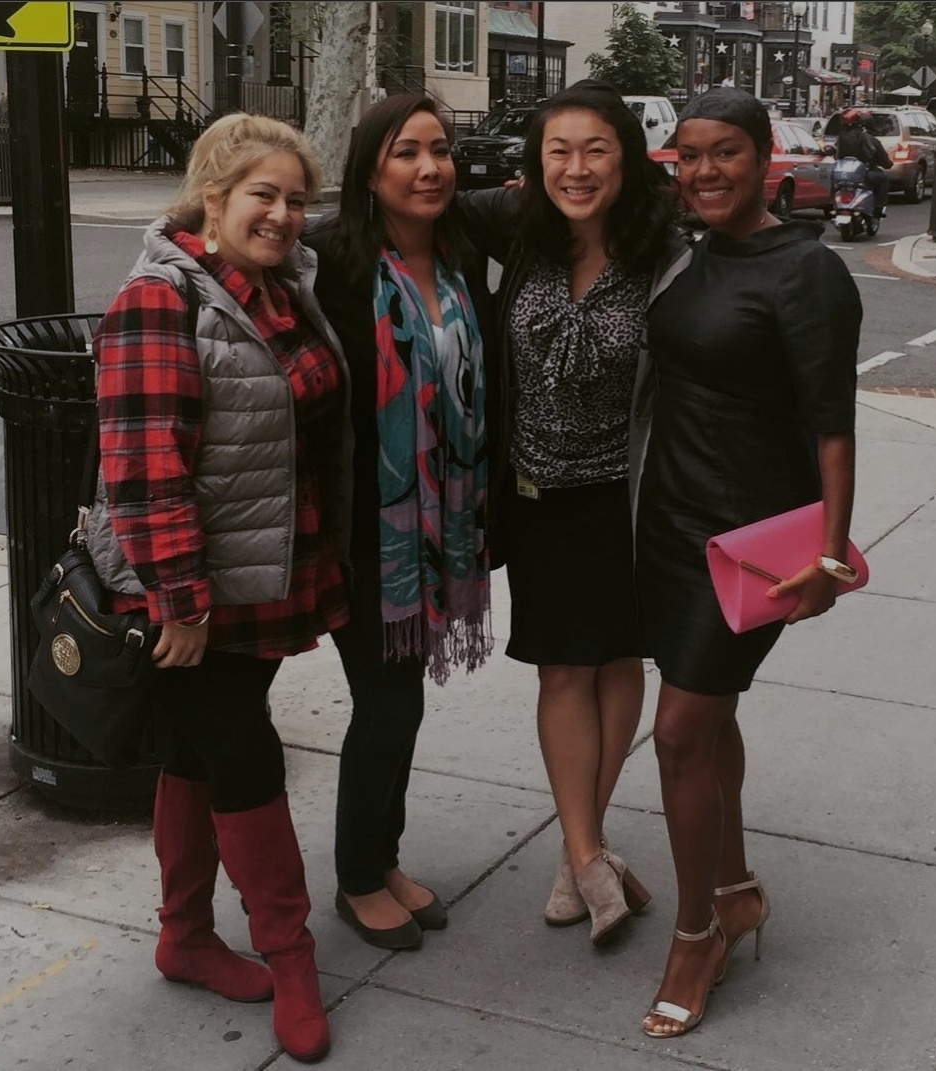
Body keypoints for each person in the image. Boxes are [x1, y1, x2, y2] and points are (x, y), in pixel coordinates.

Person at [87, 112, 352, 1064]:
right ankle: (290, 955)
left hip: (261, 570)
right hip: (192, 588)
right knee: (244, 755)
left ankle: (185, 935)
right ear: (212, 196)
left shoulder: (278, 289)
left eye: (295, 199)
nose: (282, 214)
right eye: (262, 195)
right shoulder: (160, 299)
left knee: (197, 748)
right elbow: (143, 462)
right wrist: (181, 599)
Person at [631, 88, 861, 1038]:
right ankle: (733, 888)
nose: (704, 171)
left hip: (749, 543)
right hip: (669, 522)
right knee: (708, 716)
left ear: (766, 158)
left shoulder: (807, 271)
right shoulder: (691, 252)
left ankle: (697, 935)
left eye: (724, 152)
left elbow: (833, 426)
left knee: (678, 731)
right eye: (687, 155)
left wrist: (829, 556)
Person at [457, 81, 688, 947]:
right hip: (538, 494)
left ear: (625, 158)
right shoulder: (520, 227)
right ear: (536, 163)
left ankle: (576, 851)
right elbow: (403, 202)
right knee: (562, 670)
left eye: (595, 149)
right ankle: (590, 854)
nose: (576, 168)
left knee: (619, 660)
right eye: (558, 150)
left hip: (625, 496)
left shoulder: (663, 248)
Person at [304, 94, 498, 952]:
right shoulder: (328, 261)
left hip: (438, 524)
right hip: (359, 527)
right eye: (406, 152)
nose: (429, 168)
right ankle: (356, 876)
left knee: (402, 700)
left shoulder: (462, 255)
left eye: (441, 150)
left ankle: (381, 859)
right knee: (385, 704)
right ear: (369, 171)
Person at [836, 107, 891, 216]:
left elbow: (835, 154)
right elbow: (876, 154)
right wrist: (886, 164)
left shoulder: (841, 137)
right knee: (883, 179)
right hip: (862, 173)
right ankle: (878, 208)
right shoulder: (866, 137)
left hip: (842, 175)